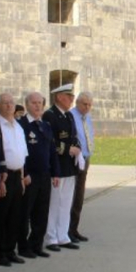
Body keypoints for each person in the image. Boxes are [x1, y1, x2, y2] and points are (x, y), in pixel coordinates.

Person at [18, 91, 58, 259]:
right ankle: (23, 247)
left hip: (44, 175)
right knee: (25, 213)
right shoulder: (21, 125)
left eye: (40, 103)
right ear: (27, 105)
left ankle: (36, 245)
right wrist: (24, 173)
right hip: (30, 176)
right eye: (33, 103)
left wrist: (55, 173)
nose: (37, 106)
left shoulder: (45, 125)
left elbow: (52, 151)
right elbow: (20, 153)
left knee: (41, 213)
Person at [44, 83, 81, 251]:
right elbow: (50, 141)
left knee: (66, 203)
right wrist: (67, 149)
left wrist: (77, 146)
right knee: (55, 203)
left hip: (69, 166)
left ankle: (63, 235)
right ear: (59, 97)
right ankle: (51, 237)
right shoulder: (50, 115)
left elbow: (74, 136)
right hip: (57, 166)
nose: (72, 99)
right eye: (69, 96)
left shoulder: (69, 116)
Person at [0, 92, 27, 267]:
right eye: (5, 102)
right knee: (1, 216)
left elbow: (22, 154)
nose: (9, 105)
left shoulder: (18, 127)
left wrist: (21, 177)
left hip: (16, 175)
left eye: (11, 102)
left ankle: (10, 250)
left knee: (15, 216)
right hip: (3, 175)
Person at [68, 91, 94, 243]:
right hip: (74, 159)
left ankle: (74, 228)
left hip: (86, 157)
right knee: (72, 196)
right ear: (77, 102)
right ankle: (67, 230)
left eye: (90, 104)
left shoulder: (87, 117)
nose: (87, 107)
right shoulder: (71, 116)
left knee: (79, 195)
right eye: (85, 104)